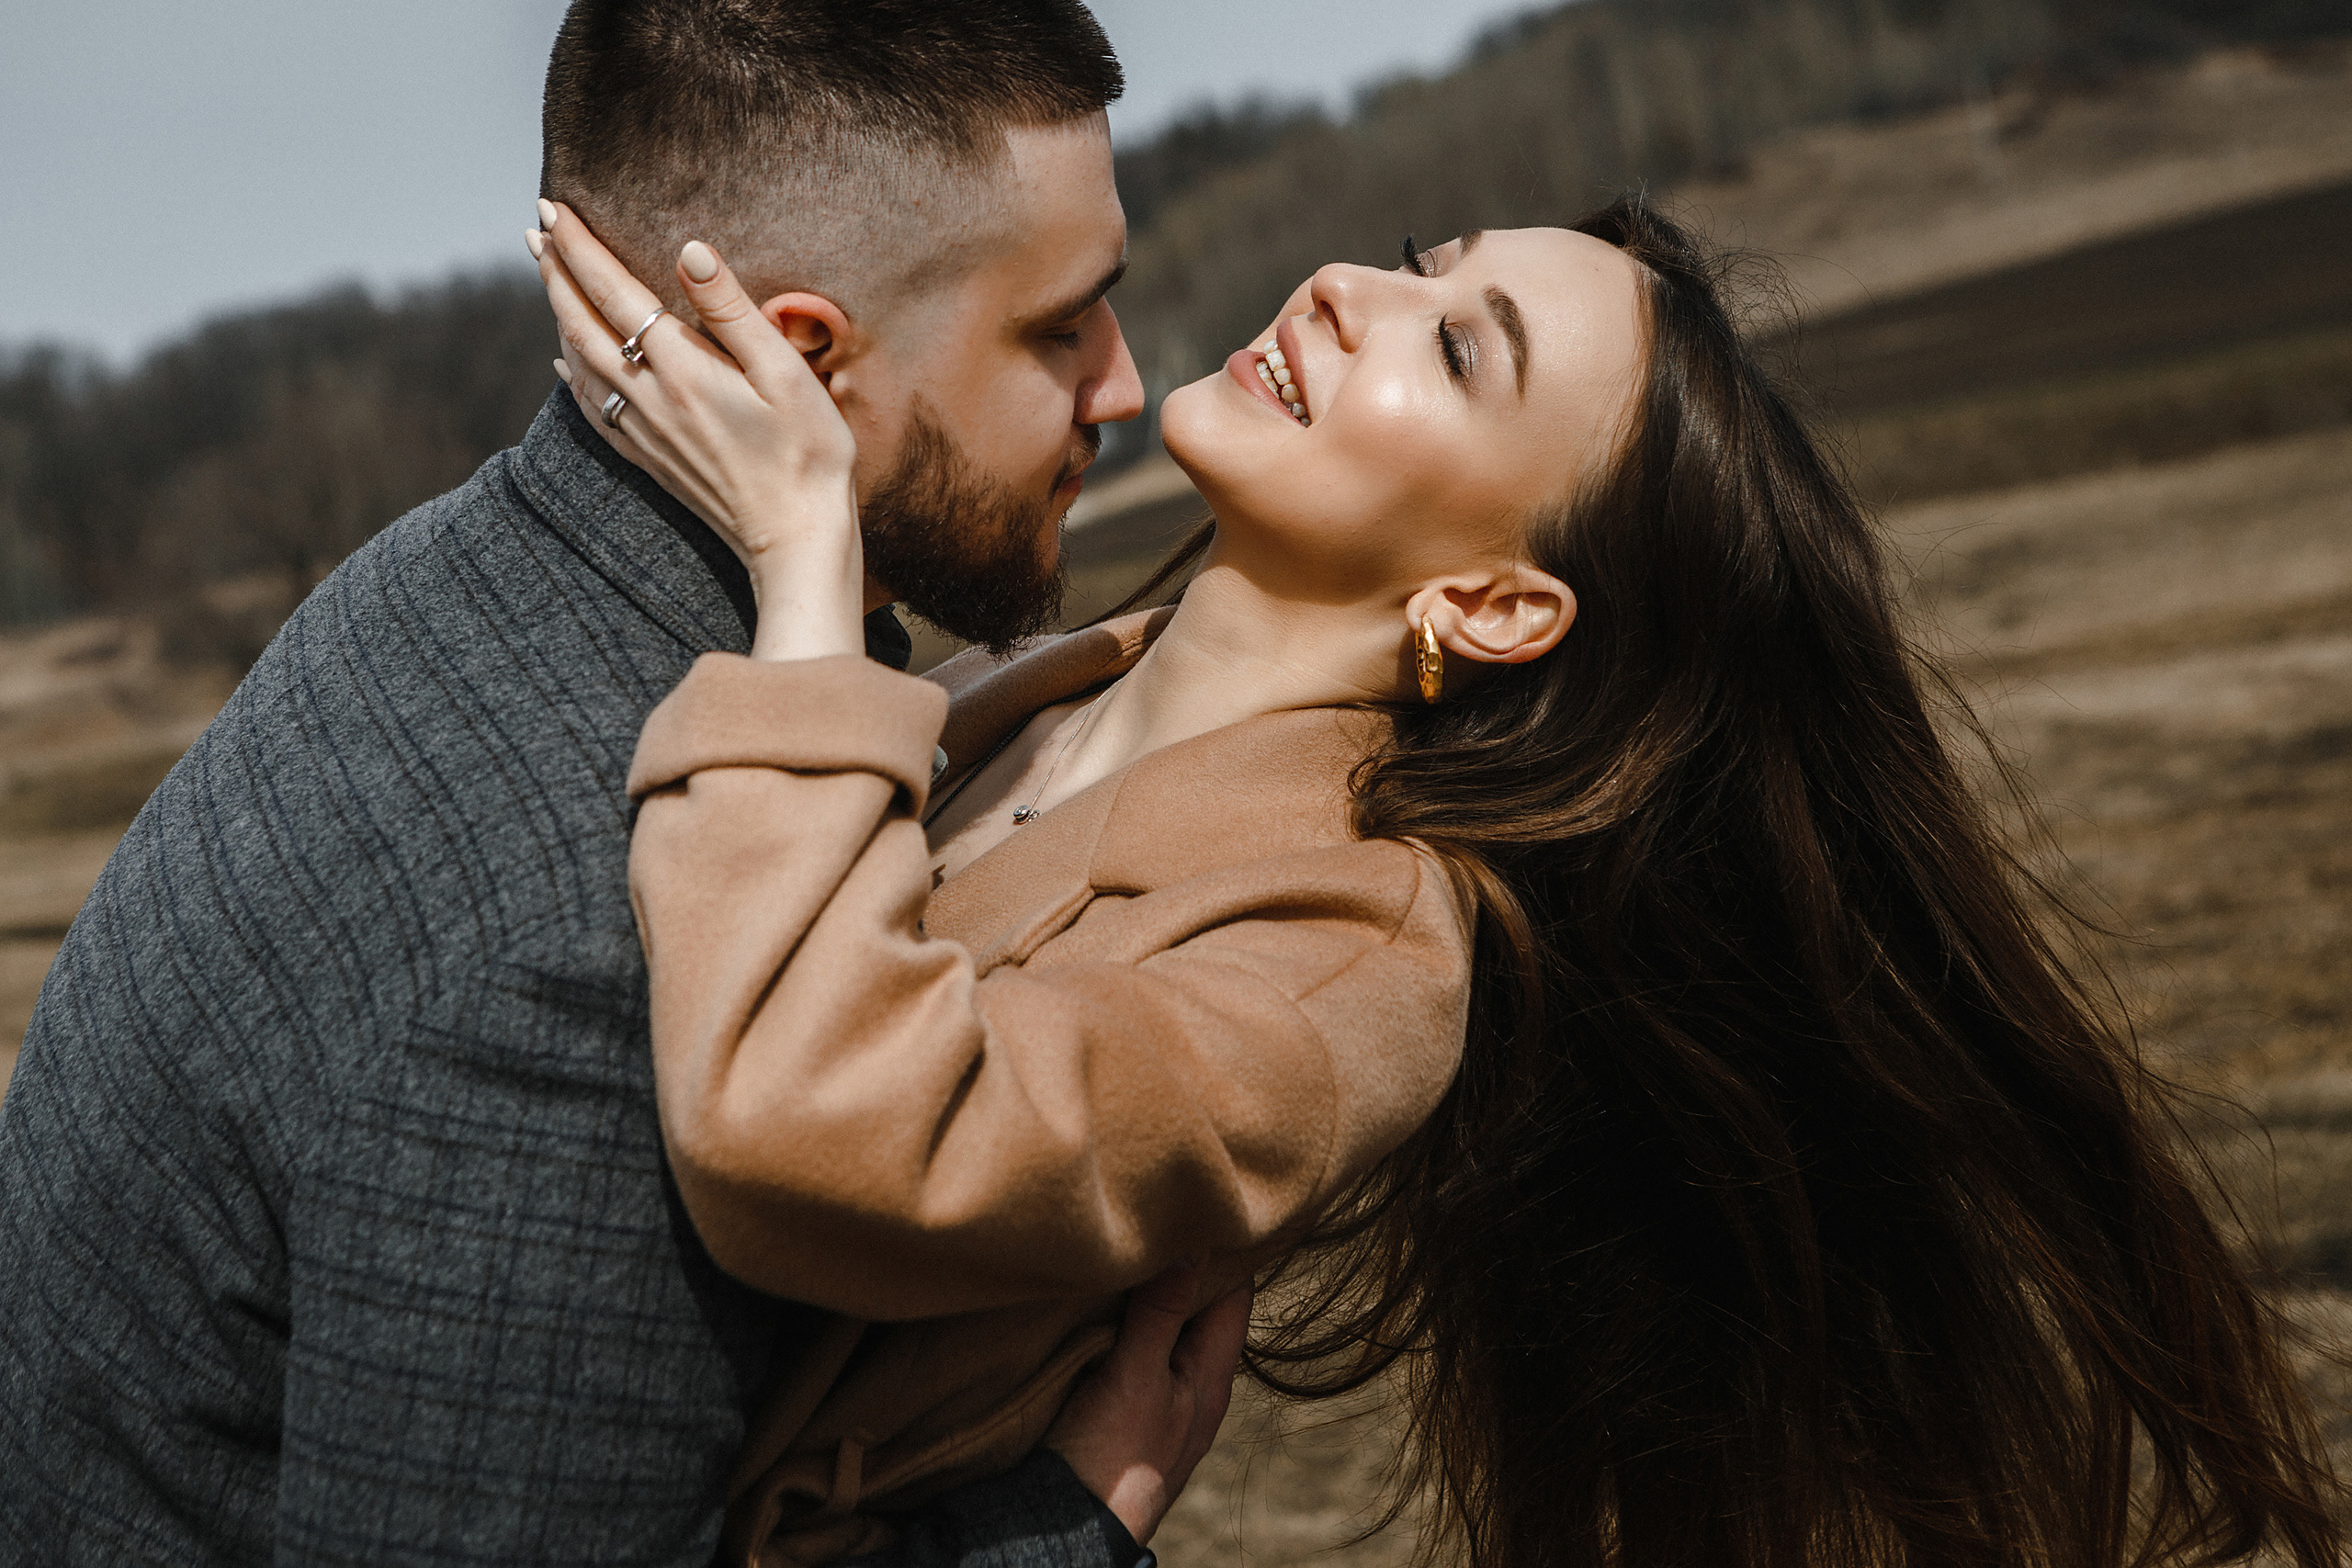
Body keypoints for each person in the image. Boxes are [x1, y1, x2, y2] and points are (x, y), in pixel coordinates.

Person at [536, 186, 2346, 1568]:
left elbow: (824, 1129)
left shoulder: (1360, 947)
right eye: (1420, 256)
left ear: (1489, 604)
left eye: (1457, 344)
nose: (1346, 287)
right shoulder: (987, 704)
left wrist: (795, 580)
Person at [0, 4, 1242, 1563]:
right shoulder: (595, 954)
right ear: (800, 360)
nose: (1121, 390)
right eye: (1062, 326)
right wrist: (1063, 1524)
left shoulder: (464, 580)